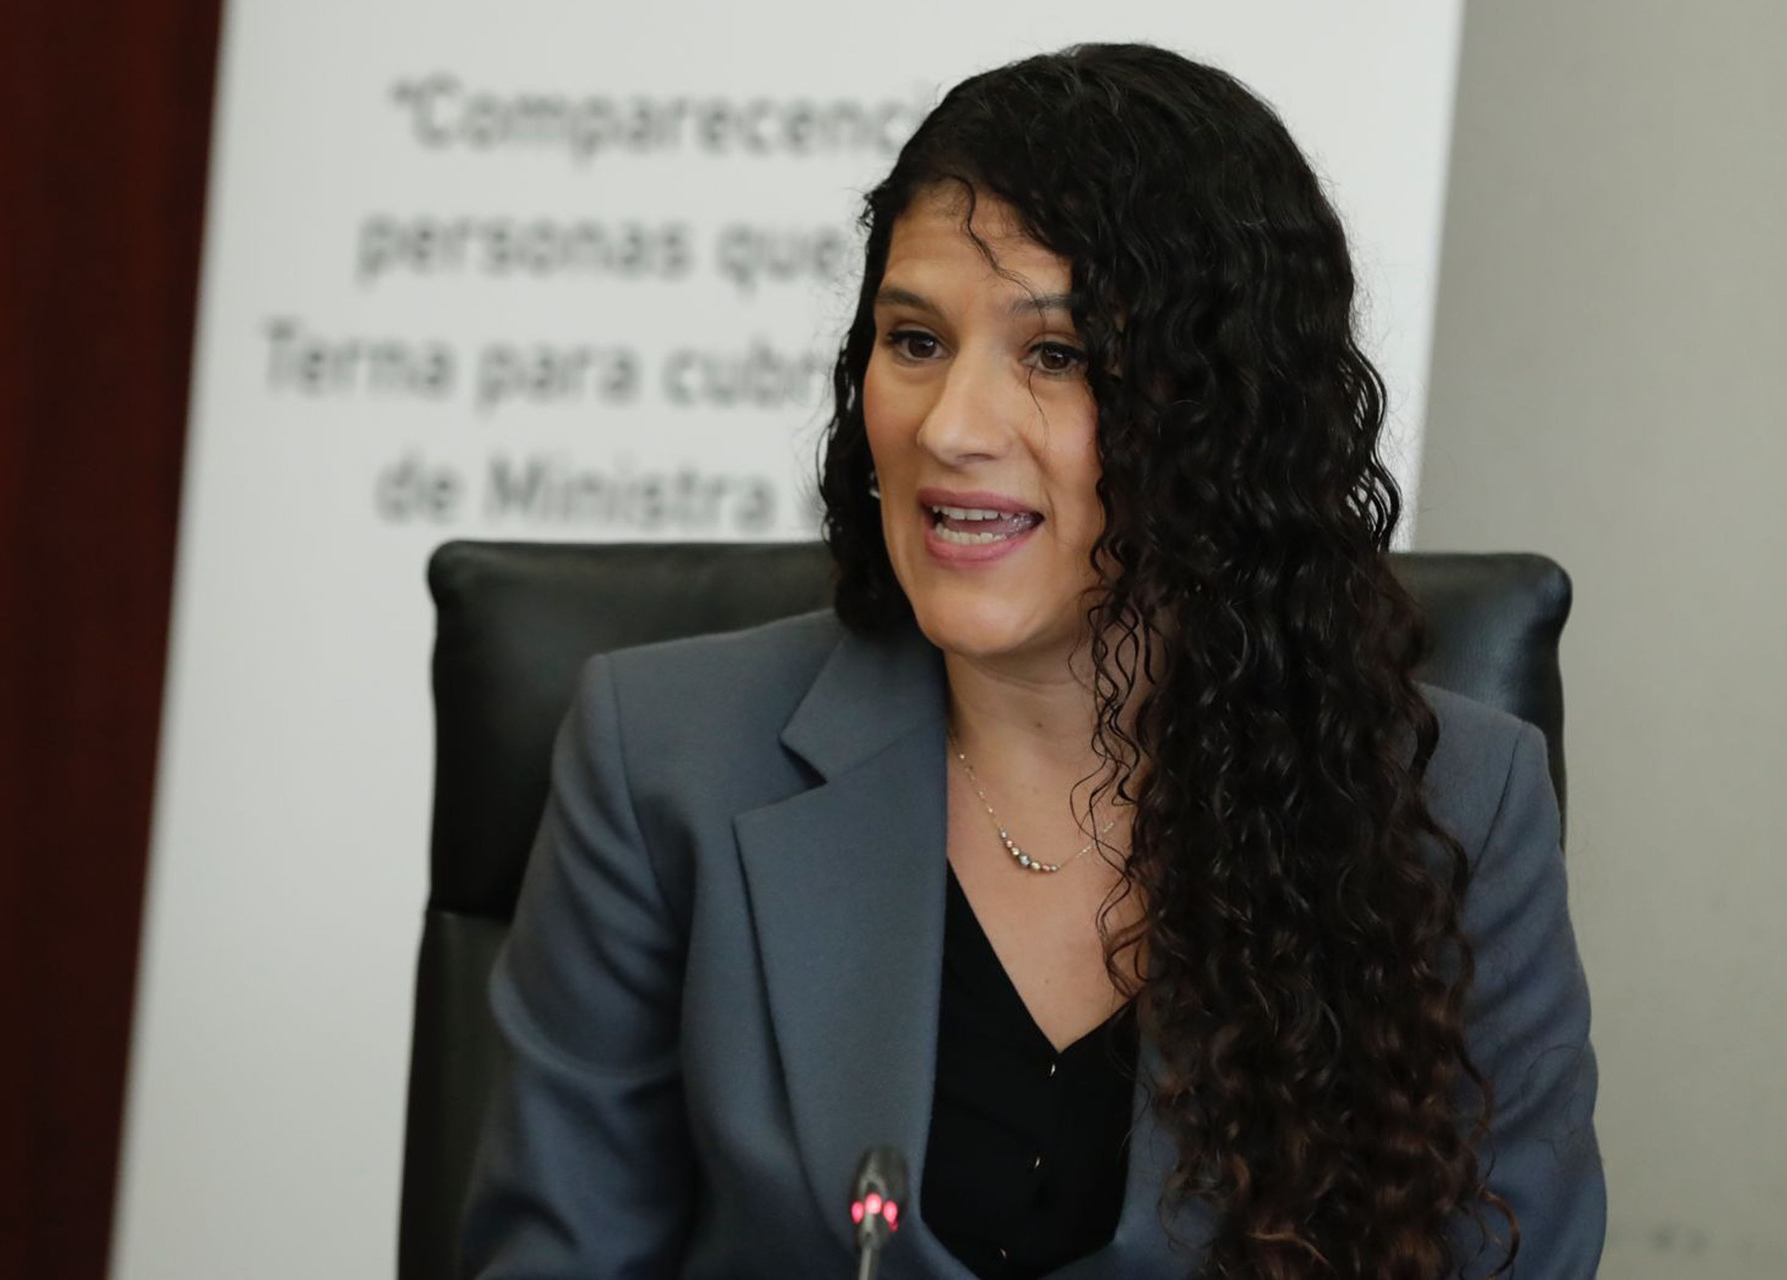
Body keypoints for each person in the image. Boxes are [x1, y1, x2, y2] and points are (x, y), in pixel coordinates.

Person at [458, 42, 1603, 1280]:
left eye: (1056, 355)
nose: (951, 425)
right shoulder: (663, 757)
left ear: (1226, 413)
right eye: (914, 340)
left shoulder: (1455, 808)